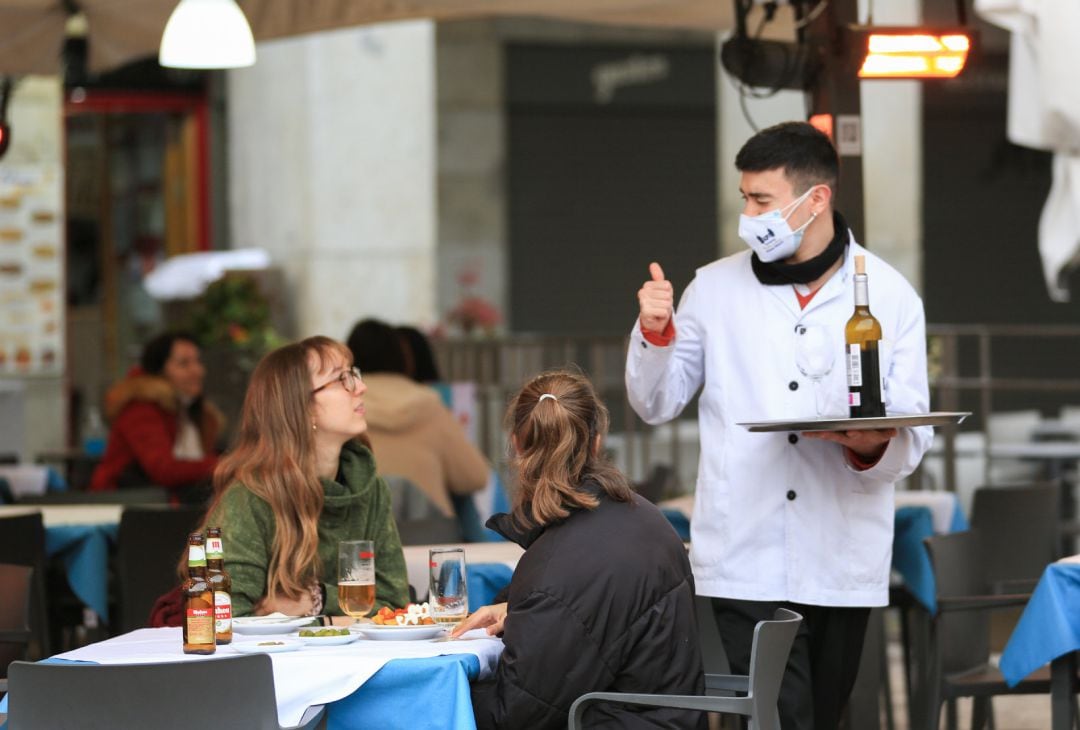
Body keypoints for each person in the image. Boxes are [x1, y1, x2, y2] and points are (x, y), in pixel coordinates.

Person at [625, 121, 932, 729]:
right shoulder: (712, 288)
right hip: (744, 555)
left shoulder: (891, 296)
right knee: (776, 717)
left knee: (820, 715)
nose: (748, 213)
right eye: (744, 197)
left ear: (815, 198)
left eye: (761, 200)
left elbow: (911, 432)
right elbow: (656, 402)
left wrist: (870, 446)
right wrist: (656, 333)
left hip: (840, 556)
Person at [455, 369, 706, 729]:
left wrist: (436, 694)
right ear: (597, 441)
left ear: (516, 444)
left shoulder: (560, 564)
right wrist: (518, 611)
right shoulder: (640, 516)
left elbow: (516, 716)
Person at [193, 336, 409, 618]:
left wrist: (315, 599)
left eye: (353, 374)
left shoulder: (369, 488)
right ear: (302, 408)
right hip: (270, 661)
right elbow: (222, 612)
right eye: (342, 379)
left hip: (351, 659)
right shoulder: (250, 497)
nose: (361, 387)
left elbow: (393, 602)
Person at [346, 318, 488, 518]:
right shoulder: (428, 403)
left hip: (362, 533)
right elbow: (474, 477)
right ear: (403, 358)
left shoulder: (342, 407)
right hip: (429, 534)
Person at [90, 332, 222, 502]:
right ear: (159, 371)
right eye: (184, 364)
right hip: (124, 510)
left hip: (172, 509)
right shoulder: (140, 409)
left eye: (198, 362)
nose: (198, 370)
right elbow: (163, 470)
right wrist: (225, 465)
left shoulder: (194, 412)